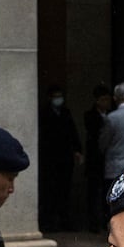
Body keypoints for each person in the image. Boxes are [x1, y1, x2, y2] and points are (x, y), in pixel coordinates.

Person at [38, 84, 83, 231]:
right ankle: (48, 222)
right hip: (49, 158)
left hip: (64, 158)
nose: (58, 99)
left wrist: (77, 150)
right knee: (49, 191)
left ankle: (64, 221)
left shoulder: (65, 112)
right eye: (56, 96)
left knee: (64, 191)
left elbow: (73, 132)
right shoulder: (44, 113)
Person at [82, 84, 113, 231]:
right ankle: (93, 222)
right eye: (103, 99)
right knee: (93, 192)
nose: (106, 102)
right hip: (95, 159)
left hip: (109, 159)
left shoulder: (112, 115)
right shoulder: (90, 115)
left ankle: (104, 221)